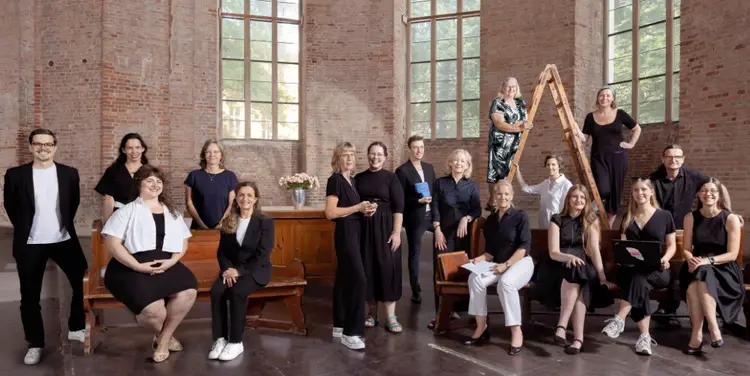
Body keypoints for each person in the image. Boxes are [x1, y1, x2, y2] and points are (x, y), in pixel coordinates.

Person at [3, 129, 88, 365]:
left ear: (55, 147)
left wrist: (61, 227)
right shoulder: (16, 175)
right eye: (38, 144)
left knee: (82, 281)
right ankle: (35, 343)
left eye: (48, 144)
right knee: (29, 296)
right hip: (30, 243)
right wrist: (25, 229)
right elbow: (11, 206)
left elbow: (73, 203)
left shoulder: (69, 174)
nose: (43, 148)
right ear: (31, 147)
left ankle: (76, 327)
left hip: (63, 239)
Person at [101, 165, 198, 362]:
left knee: (189, 291)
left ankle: (163, 339)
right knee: (154, 312)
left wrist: (172, 261)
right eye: (150, 181)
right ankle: (164, 334)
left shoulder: (172, 213)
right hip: (130, 266)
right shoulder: (126, 211)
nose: (155, 185)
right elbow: (113, 244)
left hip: (165, 263)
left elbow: (183, 241)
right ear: (139, 184)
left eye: (159, 181)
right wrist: (137, 266)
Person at [531, 185, 614, 355]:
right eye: (575, 196)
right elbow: (553, 252)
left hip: (581, 266)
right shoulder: (557, 219)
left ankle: (562, 326)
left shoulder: (590, 221)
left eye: (583, 198)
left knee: (578, 272)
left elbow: (594, 251)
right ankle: (577, 339)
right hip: (557, 265)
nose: (579, 200)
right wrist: (568, 257)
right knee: (578, 276)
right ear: (568, 199)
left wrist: (602, 277)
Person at [601, 178, 676, 356]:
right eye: (636, 190)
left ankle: (620, 319)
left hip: (658, 271)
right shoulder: (627, 218)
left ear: (651, 192)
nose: (640, 193)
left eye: (643, 189)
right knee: (638, 279)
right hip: (631, 270)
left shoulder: (665, 216)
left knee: (639, 279)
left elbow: (672, 245)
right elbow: (624, 247)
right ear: (632, 194)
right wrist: (625, 258)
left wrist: (665, 258)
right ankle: (644, 338)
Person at [464, 180, 533, 355]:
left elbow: (524, 247)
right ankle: (481, 326)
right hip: (498, 263)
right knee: (475, 278)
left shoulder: (520, 216)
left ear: (512, 196)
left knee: (506, 284)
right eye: (499, 194)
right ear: (494, 197)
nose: (503, 197)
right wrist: (478, 260)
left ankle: (516, 330)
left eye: (506, 194)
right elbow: (491, 252)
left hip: (520, 262)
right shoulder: (491, 221)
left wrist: (507, 265)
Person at [209, 182, 274, 361]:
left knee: (237, 291)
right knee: (217, 291)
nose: (245, 199)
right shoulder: (229, 221)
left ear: (255, 199)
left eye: (249, 195)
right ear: (236, 199)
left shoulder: (265, 222)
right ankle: (220, 339)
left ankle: (236, 342)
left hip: (255, 270)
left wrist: (239, 272)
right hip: (230, 270)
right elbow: (222, 252)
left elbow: (263, 254)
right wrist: (227, 270)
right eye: (241, 195)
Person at [680, 178, 743, 355]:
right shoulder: (690, 217)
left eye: (713, 191)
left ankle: (700, 333)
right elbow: (685, 249)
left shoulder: (730, 218)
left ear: (720, 195)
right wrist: (691, 259)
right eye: (704, 191)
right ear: (699, 195)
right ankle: (711, 330)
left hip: (724, 268)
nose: (708, 194)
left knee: (698, 280)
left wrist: (707, 261)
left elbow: (732, 254)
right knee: (697, 279)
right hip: (696, 265)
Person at [324, 142, 374, 350]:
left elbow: (351, 210)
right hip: (345, 234)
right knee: (358, 280)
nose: (349, 158)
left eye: (352, 154)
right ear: (337, 158)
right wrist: (357, 207)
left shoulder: (351, 181)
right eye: (345, 155)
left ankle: (339, 324)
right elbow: (330, 213)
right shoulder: (335, 180)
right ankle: (351, 332)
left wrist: (365, 210)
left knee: (344, 279)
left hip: (355, 232)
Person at [427, 149, 482, 330]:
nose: (459, 163)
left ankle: (458, 310)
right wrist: (437, 229)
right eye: (456, 160)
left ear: (467, 166)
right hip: (443, 234)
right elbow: (434, 207)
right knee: (441, 270)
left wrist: (466, 219)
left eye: (463, 161)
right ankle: (440, 311)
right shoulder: (440, 183)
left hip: (463, 236)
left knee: (461, 270)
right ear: (450, 163)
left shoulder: (472, 185)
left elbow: (476, 210)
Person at [574, 87, 641, 228]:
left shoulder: (620, 113)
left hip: (618, 158)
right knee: (603, 190)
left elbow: (637, 128)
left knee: (615, 193)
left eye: (608, 95)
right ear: (598, 98)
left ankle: (608, 227)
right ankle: (591, 209)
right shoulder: (590, 117)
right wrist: (575, 129)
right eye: (602, 95)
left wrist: (631, 144)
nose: (605, 98)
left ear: (612, 98)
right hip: (598, 158)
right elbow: (585, 138)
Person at [356, 142, 405, 333]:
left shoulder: (391, 179)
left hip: (386, 228)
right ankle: (372, 313)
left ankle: (391, 316)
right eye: (372, 154)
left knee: (388, 268)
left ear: (384, 157)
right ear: (367, 156)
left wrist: (396, 233)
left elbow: (399, 208)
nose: (375, 157)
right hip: (365, 228)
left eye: (379, 154)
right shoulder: (359, 178)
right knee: (368, 268)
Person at [395, 135, 436, 304]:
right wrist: (417, 201)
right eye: (416, 147)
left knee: (443, 245)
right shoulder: (402, 171)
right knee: (415, 254)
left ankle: (442, 283)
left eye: (421, 147)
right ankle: (416, 290)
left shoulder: (429, 168)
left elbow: (435, 190)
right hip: (415, 216)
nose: (419, 150)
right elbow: (399, 198)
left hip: (431, 215)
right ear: (409, 149)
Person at [486, 77, 533, 196]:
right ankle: (494, 201)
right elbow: (500, 123)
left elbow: (526, 122)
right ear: (503, 88)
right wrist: (518, 127)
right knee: (498, 173)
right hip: (500, 144)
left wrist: (520, 126)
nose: (512, 89)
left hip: (515, 143)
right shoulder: (498, 103)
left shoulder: (520, 103)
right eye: (509, 86)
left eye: (514, 86)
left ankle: (505, 199)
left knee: (511, 171)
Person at [185, 139, 238, 229]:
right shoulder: (193, 175)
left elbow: (231, 204)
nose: (212, 155)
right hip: (198, 228)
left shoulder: (230, 176)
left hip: (223, 228)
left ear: (221, 155)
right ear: (204, 155)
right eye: (208, 152)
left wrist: (221, 224)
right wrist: (202, 225)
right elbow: (189, 203)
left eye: (216, 152)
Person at [95, 133, 148, 222]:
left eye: (137, 147)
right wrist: (107, 225)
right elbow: (108, 199)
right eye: (130, 148)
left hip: (144, 216)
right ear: (123, 150)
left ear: (143, 149)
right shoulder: (113, 171)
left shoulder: (149, 171)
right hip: (120, 217)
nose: (134, 151)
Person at [515, 155, 573, 229]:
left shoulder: (566, 184)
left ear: (559, 166)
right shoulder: (545, 183)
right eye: (548, 165)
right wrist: (518, 173)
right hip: (543, 225)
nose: (550, 167)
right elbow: (527, 188)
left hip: (558, 226)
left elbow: (570, 206)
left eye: (553, 164)